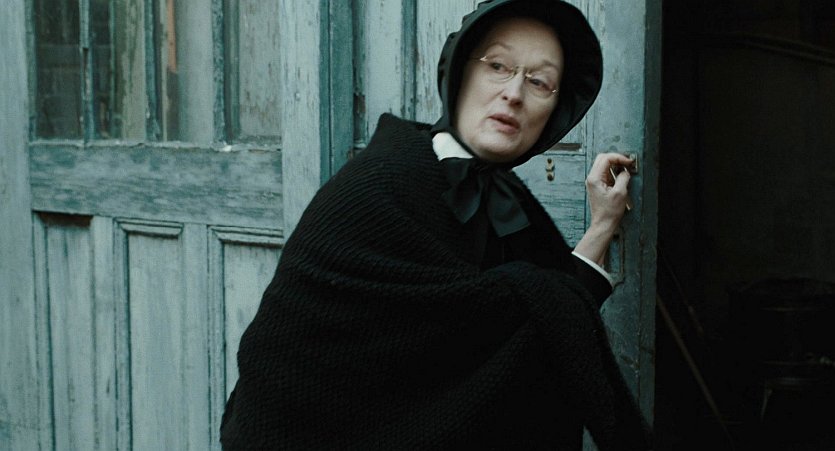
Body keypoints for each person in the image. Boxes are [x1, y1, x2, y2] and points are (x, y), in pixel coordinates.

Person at [220, 0, 651, 449]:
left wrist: (602, 224)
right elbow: (280, 382)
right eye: (498, 66)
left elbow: (546, 320)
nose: (514, 93)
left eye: (540, 81)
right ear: (458, 72)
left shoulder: (512, 204)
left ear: (556, 111)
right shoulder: (374, 188)